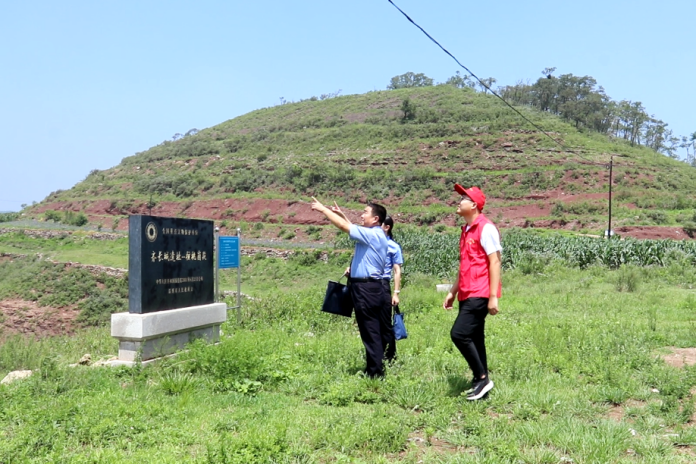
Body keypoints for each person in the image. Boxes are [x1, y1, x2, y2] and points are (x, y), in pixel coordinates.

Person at [310, 197, 391, 378]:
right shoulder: (375, 235)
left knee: (369, 331)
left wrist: (324, 210)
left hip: (365, 289)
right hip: (370, 287)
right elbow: (352, 229)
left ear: (376, 219)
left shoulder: (372, 234)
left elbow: (345, 228)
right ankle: (377, 367)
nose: (362, 215)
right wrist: (342, 215)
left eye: (365, 212)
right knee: (373, 329)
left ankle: (375, 374)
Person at [443, 184, 502, 400]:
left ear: (474, 205)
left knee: (459, 334)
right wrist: (452, 292)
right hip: (466, 292)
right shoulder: (467, 230)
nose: (459, 202)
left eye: (464, 198)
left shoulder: (486, 228)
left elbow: (494, 262)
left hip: (480, 291)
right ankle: (480, 384)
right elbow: (465, 265)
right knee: (475, 338)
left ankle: (482, 377)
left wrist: (493, 296)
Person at [380, 216, 403, 361]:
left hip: (383, 285)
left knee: (385, 323)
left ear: (387, 227)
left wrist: (396, 293)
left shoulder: (393, 246)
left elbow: (397, 271)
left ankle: (390, 356)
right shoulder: (371, 243)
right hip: (370, 284)